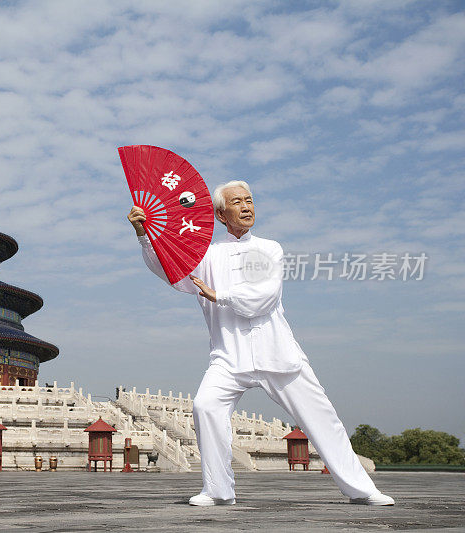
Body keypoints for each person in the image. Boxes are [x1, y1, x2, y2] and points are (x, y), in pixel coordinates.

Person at [128, 180, 394, 506]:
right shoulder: (206, 255)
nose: (246, 206)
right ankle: (218, 490)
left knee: (322, 418)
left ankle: (362, 490)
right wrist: (143, 233)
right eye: (237, 202)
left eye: (249, 200)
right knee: (206, 406)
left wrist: (220, 294)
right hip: (228, 355)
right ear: (221, 215)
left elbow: (264, 296)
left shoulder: (269, 248)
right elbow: (170, 270)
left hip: (277, 353)